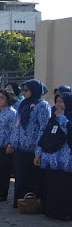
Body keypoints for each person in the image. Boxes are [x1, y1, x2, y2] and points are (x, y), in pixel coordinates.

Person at [9, 79, 51, 208]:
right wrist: (12, 142)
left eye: (26, 90)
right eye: (23, 89)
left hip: (32, 149)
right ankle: (20, 202)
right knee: (20, 177)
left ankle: (31, 204)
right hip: (20, 147)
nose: (24, 92)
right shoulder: (23, 104)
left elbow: (43, 129)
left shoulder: (42, 105)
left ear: (34, 90)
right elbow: (17, 126)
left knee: (31, 178)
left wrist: (38, 150)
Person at [34, 92, 72, 220]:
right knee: (52, 186)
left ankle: (64, 213)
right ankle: (51, 210)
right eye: (57, 102)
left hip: (65, 160)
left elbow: (68, 131)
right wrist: (38, 154)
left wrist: (62, 118)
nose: (58, 105)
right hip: (51, 159)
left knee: (64, 187)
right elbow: (44, 137)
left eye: (62, 102)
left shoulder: (67, 118)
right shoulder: (53, 118)